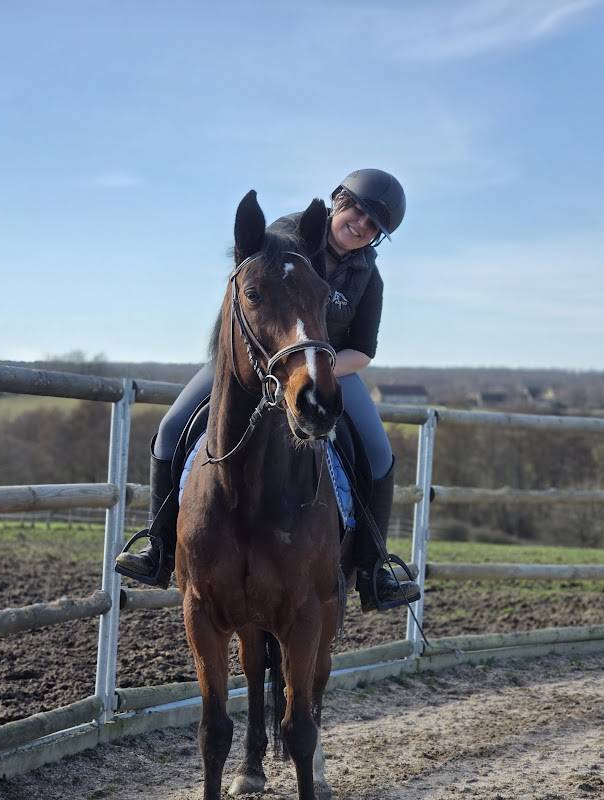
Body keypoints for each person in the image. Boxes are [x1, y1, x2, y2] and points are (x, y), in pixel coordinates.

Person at [115, 168, 420, 611]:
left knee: (378, 453)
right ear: (338, 200)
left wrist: (317, 366)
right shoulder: (286, 238)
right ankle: (158, 546)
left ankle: (374, 570)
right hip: (253, 359)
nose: (360, 224)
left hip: (330, 367)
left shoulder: (367, 276)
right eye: (357, 210)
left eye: (374, 225)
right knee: (170, 428)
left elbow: (363, 351)